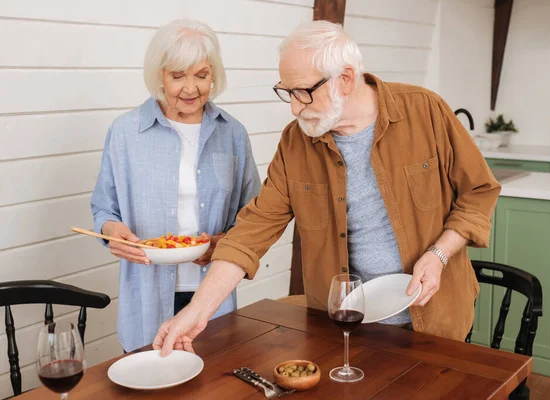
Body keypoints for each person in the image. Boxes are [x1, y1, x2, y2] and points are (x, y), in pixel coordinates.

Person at [152, 20, 500, 355]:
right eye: (287, 92)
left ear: (345, 78)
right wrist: (196, 313)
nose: (294, 107)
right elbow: (251, 232)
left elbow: (479, 191)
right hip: (345, 327)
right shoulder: (295, 142)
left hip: (436, 322)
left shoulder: (426, 111)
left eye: (303, 92)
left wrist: (439, 253)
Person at [91, 19, 261, 352]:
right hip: (146, 294)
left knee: (211, 382)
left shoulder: (233, 134)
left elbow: (253, 214)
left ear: (214, 76)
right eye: (177, 75)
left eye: (201, 75)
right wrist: (111, 231)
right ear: (159, 75)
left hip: (213, 295)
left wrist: (224, 242)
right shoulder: (125, 132)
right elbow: (103, 207)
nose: (190, 89)